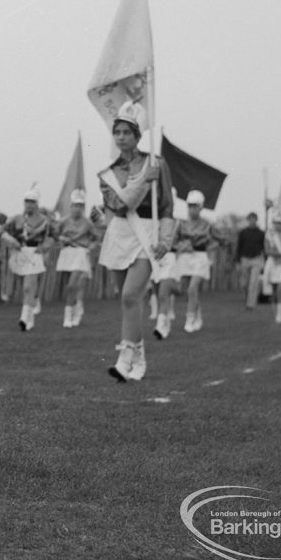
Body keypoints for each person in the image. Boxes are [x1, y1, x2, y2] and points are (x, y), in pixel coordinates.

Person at [96, 102, 174, 382]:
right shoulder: (107, 173)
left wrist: (165, 238)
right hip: (120, 233)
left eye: (126, 132)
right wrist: (144, 183)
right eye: (116, 132)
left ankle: (125, 356)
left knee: (131, 295)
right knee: (127, 301)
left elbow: (166, 206)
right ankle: (139, 356)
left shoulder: (156, 164)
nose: (120, 137)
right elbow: (118, 205)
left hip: (146, 234)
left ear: (137, 135)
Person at [0, 184, 53, 332]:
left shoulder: (44, 221)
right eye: (27, 201)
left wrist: (44, 247)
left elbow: (52, 237)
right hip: (19, 253)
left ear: (37, 203)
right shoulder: (16, 219)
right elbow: (1, 232)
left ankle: (24, 319)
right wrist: (11, 241)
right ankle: (31, 315)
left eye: (32, 202)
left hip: (35, 254)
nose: (29, 204)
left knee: (28, 286)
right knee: (25, 289)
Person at [172, 190, 228, 333]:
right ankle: (198, 316)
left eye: (195, 206)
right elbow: (173, 242)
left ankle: (189, 319)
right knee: (188, 290)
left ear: (200, 207)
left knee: (192, 288)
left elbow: (223, 241)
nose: (192, 209)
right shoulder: (181, 224)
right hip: (185, 257)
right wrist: (182, 246)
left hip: (200, 257)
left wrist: (210, 247)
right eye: (190, 205)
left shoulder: (207, 225)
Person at [54, 188, 99, 327]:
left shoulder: (87, 223)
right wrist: (60, 239)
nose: (77, 209)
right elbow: (55, 234)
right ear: (71, 206)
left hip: (80, 253)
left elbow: (96, 238)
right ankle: (76, 310)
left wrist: (89, 248)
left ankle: (67, 316)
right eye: (75, 206)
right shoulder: (63, 221)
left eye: (80, 206)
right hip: (66, 253)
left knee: (73, 285)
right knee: (69, 287)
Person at [235, 212, 266, 310]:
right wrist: (237, 261)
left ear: (256, 220)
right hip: (245, 259)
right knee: (244, 283)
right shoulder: (243, 233)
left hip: (256, 259)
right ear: (248, 220)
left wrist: (265, 261)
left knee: (253, 282)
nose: (252, 221)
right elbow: (238, 247)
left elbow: (264, 248)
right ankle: (246, 298)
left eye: (254, 219)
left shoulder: (261, 233)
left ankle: (250, 304)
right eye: (250, 219)